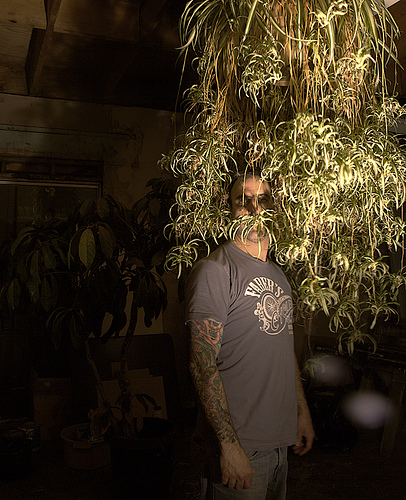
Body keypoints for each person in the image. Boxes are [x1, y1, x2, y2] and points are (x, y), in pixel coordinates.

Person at [185, 170, 315, 499]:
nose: (255, 209)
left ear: (275, 208)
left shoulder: (279, 275)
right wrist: (229, 446)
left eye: (263, 200)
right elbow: (201, 364)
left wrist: (301, 412)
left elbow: (283, 352)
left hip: (279, 443)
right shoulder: (215, 270)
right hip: (239, 447)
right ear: (229, 208)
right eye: (243, 201)